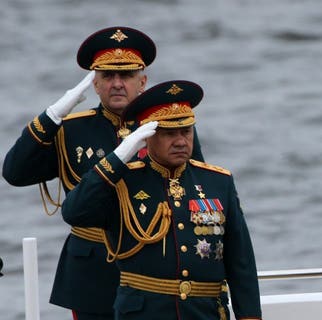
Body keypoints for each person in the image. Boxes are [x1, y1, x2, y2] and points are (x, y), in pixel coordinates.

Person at [2, 26, 203, 319]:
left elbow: (195, 187)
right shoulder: (71, 130)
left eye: (127, 76)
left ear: (143, 81)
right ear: (95, 85)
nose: (117, 84)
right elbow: (15, 172)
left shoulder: (167, 128)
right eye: (107, 76)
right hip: (92, 270)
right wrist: (53, 115)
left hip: (153, 263)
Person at [60, 80, 262, 320]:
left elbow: (241, 263)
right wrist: (118, 158)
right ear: (148, 136)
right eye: (169, 133)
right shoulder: (123, 182)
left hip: (204, 313)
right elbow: (74, 212)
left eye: (186, 131)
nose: (180, 141)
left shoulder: (218, 181)